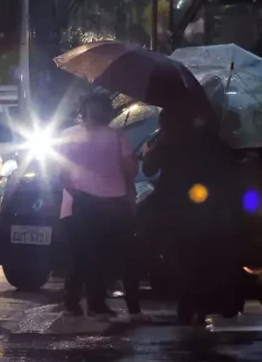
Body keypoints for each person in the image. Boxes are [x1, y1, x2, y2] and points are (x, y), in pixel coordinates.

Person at [142, 106, 238, 325]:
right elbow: (226, 168)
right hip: (206, 208)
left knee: (184, 260)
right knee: (205, 257)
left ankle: (189, 306)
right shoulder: (210, 140)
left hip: (177, 209)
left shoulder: (166, 144)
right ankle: (205, 303)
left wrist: (149, 153)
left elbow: (149, 169)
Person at [58, 93, 140, 318]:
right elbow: (131, 171)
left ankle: (72, 301)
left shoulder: (67, 136)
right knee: (101, 254)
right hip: (109, 204)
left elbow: (61, 173)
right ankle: (95, 302)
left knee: (80, 254)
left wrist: (76, 192)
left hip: (77, 203)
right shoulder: (118, 137)